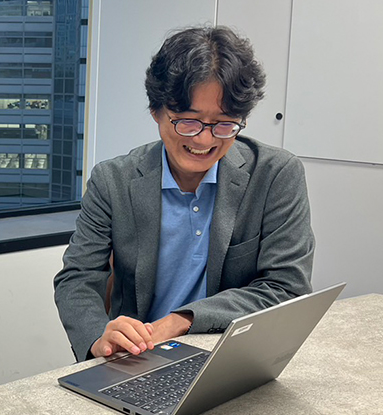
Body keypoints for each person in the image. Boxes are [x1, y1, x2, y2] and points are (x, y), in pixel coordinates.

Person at [53, 26, 314, 362]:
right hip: (139, 358)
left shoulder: (275, 174)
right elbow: (77, 279)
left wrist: (182, 321)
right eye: (188, 121)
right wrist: (98, 339)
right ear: (156, 111)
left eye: (224, 124)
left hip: (230, 357)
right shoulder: (113, 181)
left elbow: (287, 287)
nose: (204, 140)